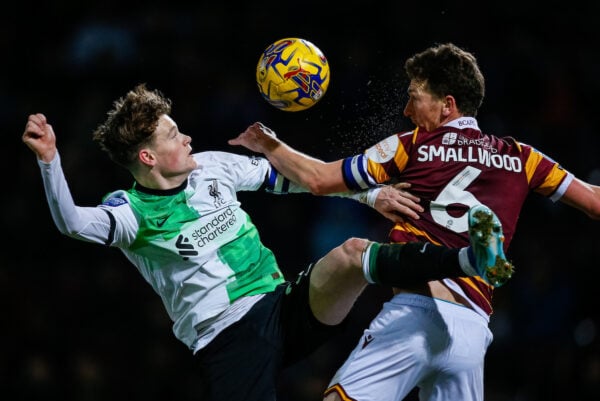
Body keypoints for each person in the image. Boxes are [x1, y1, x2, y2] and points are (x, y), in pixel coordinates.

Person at [22, 84, 509, 401]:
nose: (187, 137)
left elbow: (303, 181)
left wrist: (373, 193)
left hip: (284, 307)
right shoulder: (130, 214)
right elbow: (70, 223)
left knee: (353, 254)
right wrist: (49, 161)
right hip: (228, 341)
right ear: (148, 156)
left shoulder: (214, 166)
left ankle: (470, 258)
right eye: (174, 135)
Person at [229, 42, 600, 401]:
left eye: (414, 96)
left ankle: (473, 254)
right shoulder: (522, 156)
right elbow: (595, 203)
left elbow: (319, 179)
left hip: (415, 314)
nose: (407, 110)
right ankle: (479, 255)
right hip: (473, 332)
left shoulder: (413, 145)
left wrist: (270, 145)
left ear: (447, 105)